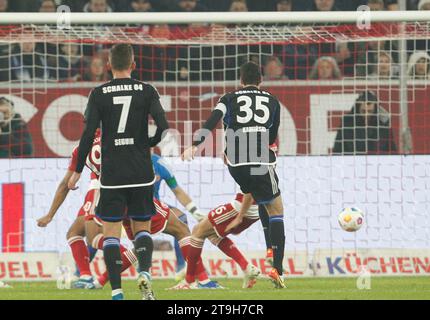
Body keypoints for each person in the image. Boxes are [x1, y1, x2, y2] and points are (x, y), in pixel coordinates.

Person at [68, 44, 169, 300]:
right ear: (134, 65)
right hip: (140, 170)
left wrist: (78, 171)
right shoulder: (147, 90)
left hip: (112, 173)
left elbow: (88, 133)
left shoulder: (98, 93)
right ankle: (144, 273)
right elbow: (164, 126)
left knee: (111, 233)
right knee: (142, 228)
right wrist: (147, 142)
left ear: (109, 66)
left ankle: (116, 292)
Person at [182, 61, 286, 289]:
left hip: (235, 162)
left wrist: (194, 144)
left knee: (257, 195)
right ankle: (277, 268)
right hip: (258, 159)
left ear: (240, 81)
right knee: (276, 209)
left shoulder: (228, 98)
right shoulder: (273, 101)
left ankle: (268, 251)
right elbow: (271, 136)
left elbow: (212, 119)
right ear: (261, 81)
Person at [89, 198, 220, 289]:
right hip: (136, 195)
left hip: (111, 196)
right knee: (182, 229)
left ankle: (99, 281)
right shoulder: (156, 163)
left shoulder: (98, 161)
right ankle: (202, 280)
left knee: (139, 248)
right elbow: (176, 189)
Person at [172, 193, 261, 290]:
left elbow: (249, 191)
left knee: (198, 231)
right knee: (212, 234)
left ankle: (189, 281)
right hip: (257, 209)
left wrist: (239, 217)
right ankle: (246, 267)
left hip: (242, 205)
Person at [151, 152, 205, 280]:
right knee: (101, 233)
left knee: (181, 219)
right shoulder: (128, 159)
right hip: (129, 207)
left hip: (154, 206)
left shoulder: (159, 163)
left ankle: (182, 266)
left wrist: (195, 212)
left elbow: (177, 190)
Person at [332, 91, 397, 155]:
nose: (366, 114)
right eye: (363, 111)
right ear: (358, 107)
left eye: (370, 111)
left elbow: (392, 150)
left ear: (375, 109)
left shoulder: (383, 123)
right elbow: (337, 150)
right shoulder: (347, 123)